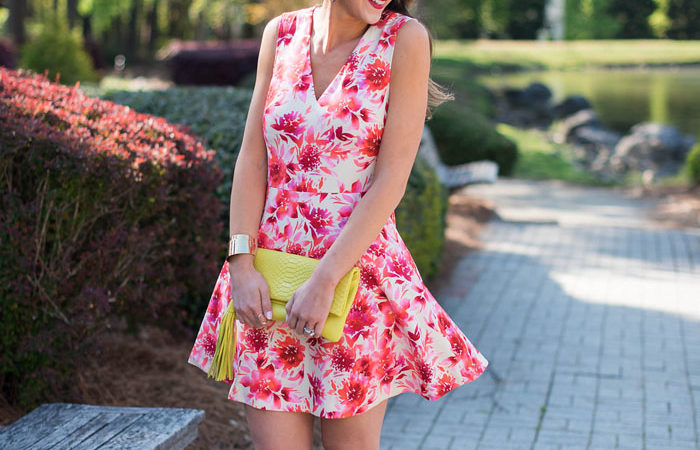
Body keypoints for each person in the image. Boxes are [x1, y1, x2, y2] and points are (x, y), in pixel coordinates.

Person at [188, 1, 489, 448]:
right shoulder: (281, 33)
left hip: (354, 286)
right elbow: (253, 158)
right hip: (269, 285)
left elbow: (391, 180)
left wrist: (325, 279)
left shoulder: (404, 39)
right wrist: (240, 263)